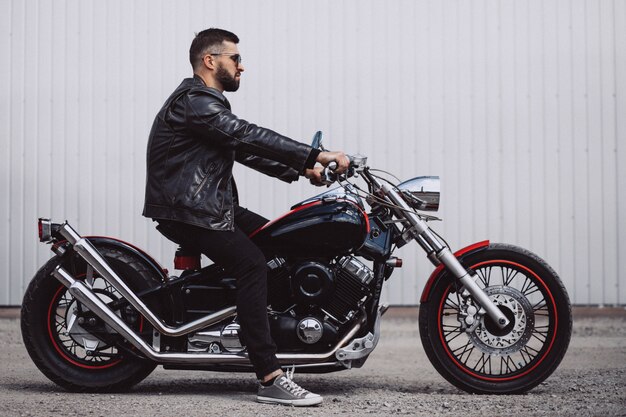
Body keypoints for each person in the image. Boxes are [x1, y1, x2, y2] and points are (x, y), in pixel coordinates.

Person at [142, 28, 349, 406]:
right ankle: (269, 376)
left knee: (279, 239)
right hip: (190, 210)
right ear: (210, 60)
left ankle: (272, 328)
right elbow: (246, 135)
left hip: (211, 207)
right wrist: (315, 155)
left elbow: (243, 148)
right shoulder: (195, 101)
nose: (242, 66)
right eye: (235, 58)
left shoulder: (204, 106)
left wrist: (302, 171)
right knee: (252, 264)